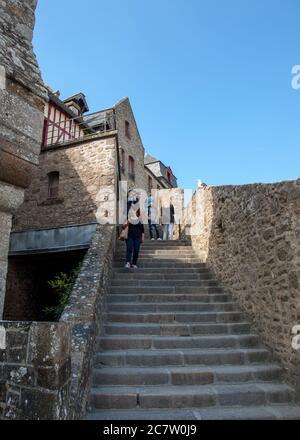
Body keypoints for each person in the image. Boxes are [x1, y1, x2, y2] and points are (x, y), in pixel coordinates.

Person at [124, 191, 145, 269]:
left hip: (137, 235)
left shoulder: (139, 215)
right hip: (129, 233)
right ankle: (128, 262)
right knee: (129, 249)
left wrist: (142, 236)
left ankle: (134, 263)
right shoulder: (127, 210)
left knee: (136, 250)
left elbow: (142, 226)